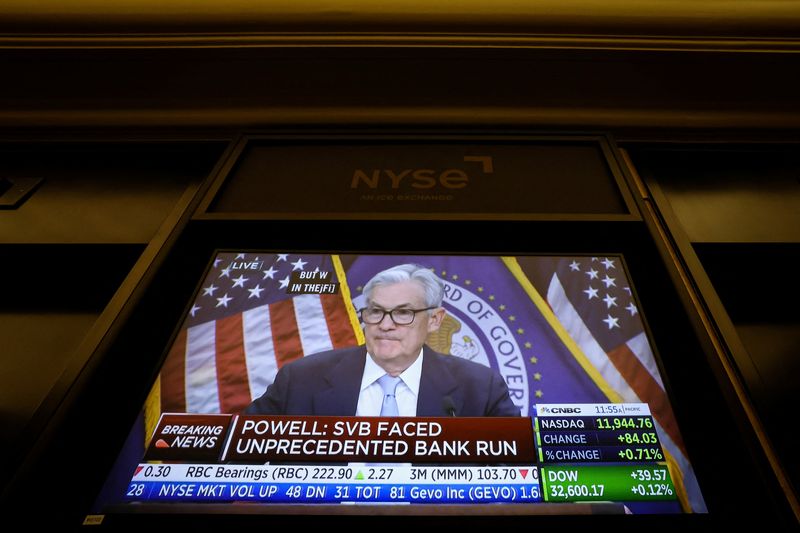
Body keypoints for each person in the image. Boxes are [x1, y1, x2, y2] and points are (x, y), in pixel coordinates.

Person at [244, 263, 520, 417]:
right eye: (375, 311)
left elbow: (518, 475)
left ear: (435, 320)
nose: (385, 325)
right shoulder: (301, 380)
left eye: (403, 313)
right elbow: (232, 455)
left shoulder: (481, 389)